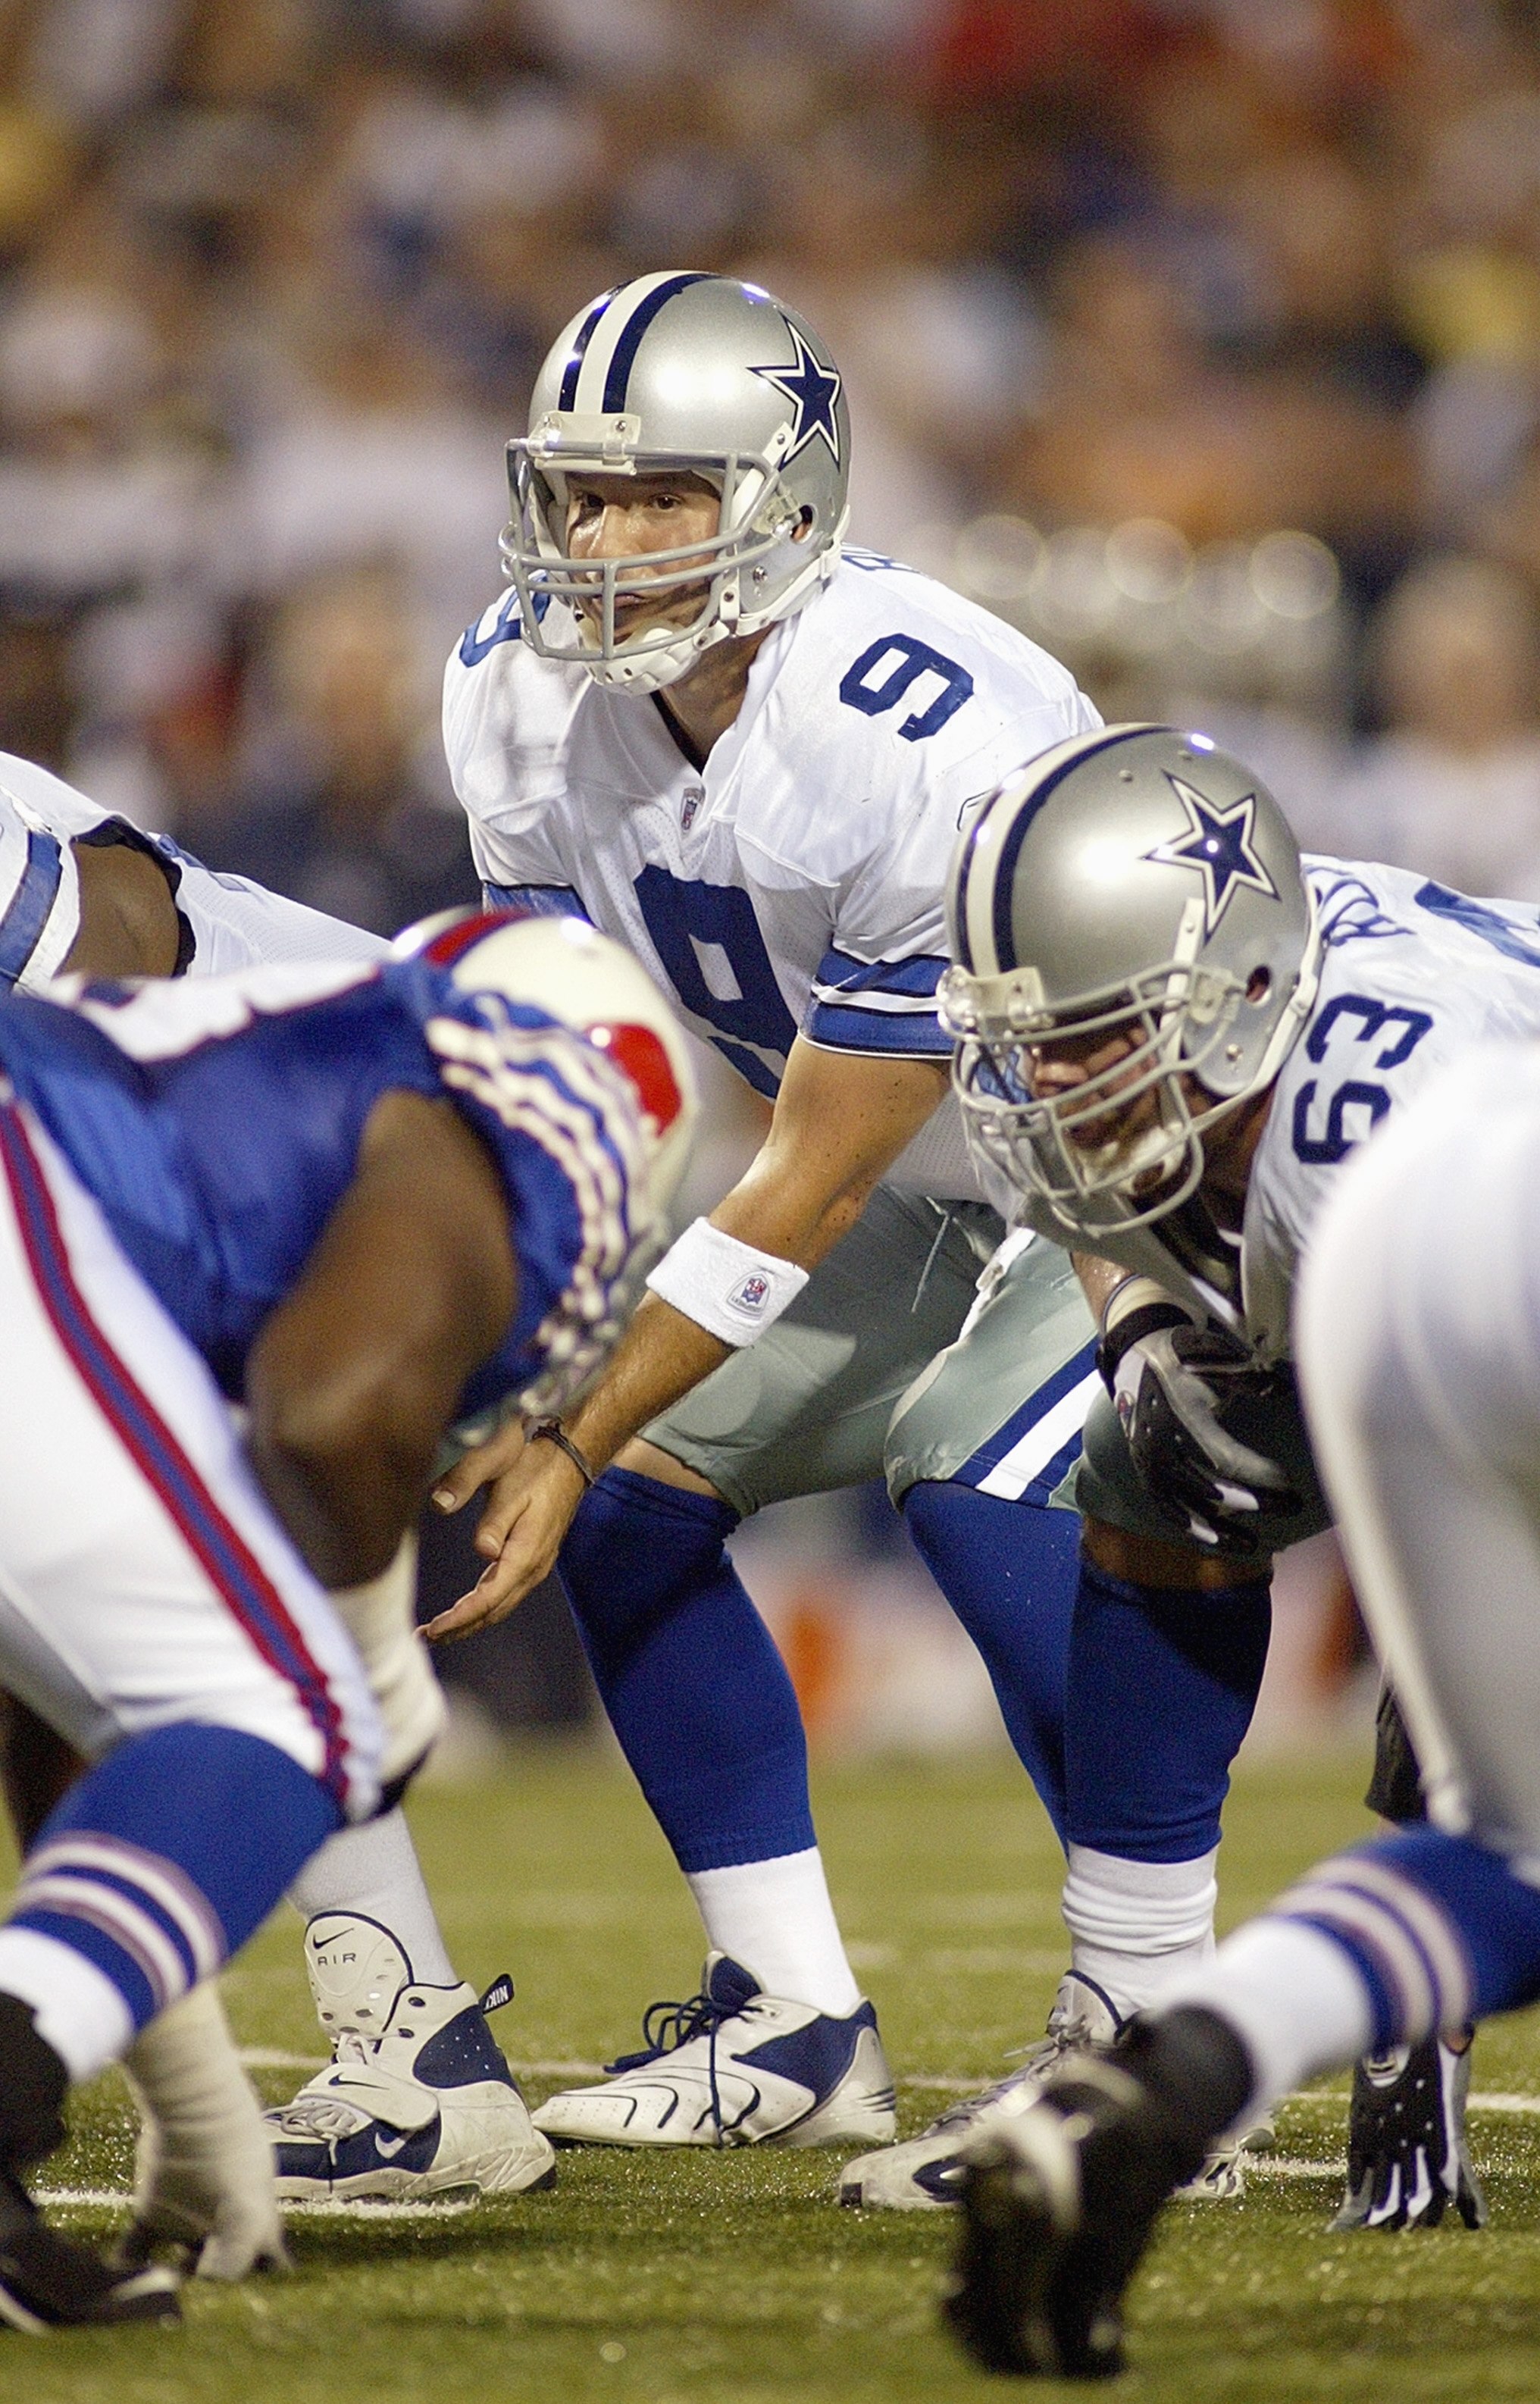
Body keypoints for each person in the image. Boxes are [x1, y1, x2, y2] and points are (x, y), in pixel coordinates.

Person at [264, 266, 1131, 2177]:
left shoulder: (914, 717)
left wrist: (570, 1411)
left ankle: (1151, 2035)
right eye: (582, 494)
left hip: (1117, 1173)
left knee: (970, 1479)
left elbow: (807, 1175)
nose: (608, 541)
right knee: (634, 1485)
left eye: (661, 494)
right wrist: (521, 1356)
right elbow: (574, 1057)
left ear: (787, 491)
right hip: (909, 1180)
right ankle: (793, 2013)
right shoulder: (511, 683)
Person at [928, 721, 1540, 2375]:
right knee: (1153, 1450)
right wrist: (1138, 1331)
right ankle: (1157, 2028)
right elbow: (1105, 1207)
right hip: (1427, 1255)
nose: (1037, 1086)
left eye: (1080, 1045)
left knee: (1506, 1825)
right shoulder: (1191, 1004)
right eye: (1020, 1044)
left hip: (1451, 1228)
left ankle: (1287, 2055)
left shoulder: (1364, 1106)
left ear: (1242, 986)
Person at [0, 906, 693, 2328]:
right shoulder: (512, 1087)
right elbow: (337, 1411)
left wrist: (181, 2088)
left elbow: (62, 1673)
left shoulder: (244, 1110)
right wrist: (367, 1663)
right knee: (303, 1716)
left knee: (227, 1701)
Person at [0, 751, 557, 2227]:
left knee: (242, 1688)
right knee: (214, 1687)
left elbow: (103, 974)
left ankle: (412, 2046)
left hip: (322, 1202)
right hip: (161, 1225)